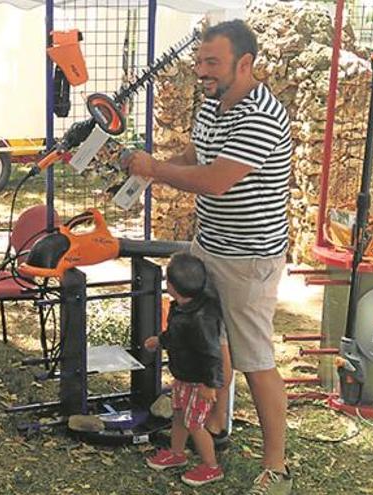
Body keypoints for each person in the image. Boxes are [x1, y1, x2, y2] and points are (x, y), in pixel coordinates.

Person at [125, 20, 293, 495]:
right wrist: (156, 165)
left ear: (246, 63)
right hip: (210, 243)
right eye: (199, 62)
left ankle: (276, 467)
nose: (201, 71)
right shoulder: (214, 102)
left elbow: (217, 179)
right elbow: (197, 151)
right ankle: (213, 422)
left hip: (250, 257)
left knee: (254, 357)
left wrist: (156, 170)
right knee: (207, 335)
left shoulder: (261, 115)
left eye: (211, 62)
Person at [144, 252, 224, 487]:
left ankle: (211, 467)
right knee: (179, 415)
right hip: (183, 377)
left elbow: (212, 354)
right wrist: (160, 340)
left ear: (170, 286)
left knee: (195, 424)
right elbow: (177, 336)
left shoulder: (200, 319)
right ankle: (176, 454)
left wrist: (210, 385)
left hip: (199, 383)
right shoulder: (183, 307)